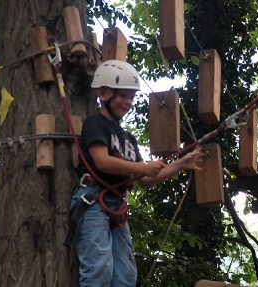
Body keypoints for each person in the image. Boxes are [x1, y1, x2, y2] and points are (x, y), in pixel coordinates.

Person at [70, 60, 203, 286]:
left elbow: (147, 179)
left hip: (116, 205)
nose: (128, 102)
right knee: (99, 269)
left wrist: (181, 163)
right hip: (92, 201)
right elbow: (102, 162)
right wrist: (142, 167)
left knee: (126, 275)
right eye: (123, 96)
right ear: (103, 93)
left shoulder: (128, 138)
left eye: (131, 97)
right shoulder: (95, 124)